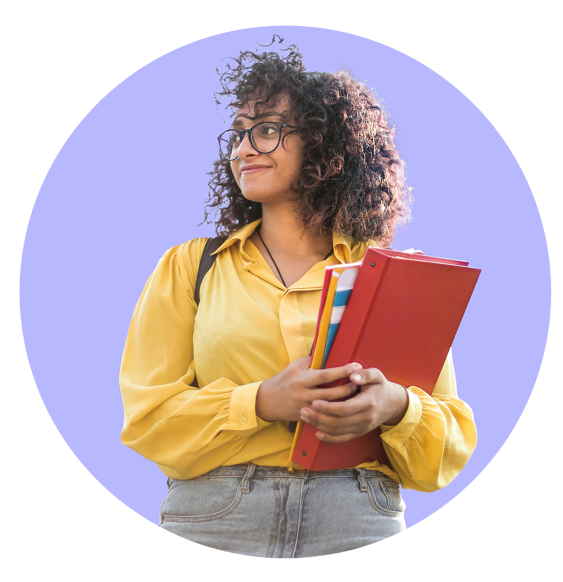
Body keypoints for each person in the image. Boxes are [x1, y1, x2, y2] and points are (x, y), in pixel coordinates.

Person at [119, 38, 477, 559]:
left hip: (356, 517)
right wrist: (262, 401)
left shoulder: (389, 279)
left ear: (325, 145)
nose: (243, 149)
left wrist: (395, 407)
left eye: (266, 130)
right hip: (214, 518)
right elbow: (148, 420)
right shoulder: (189, 267)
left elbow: (447, 447)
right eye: (238, 134)